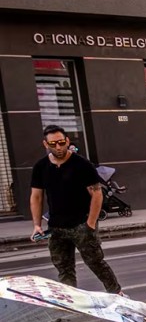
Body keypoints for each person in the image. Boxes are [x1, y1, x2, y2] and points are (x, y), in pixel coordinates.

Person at [30, 125, 123, 295]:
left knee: (96, 262)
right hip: (56, 227)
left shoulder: (81, 164)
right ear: (46, 144)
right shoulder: (41, 167)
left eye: (61, 142)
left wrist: (91, 224)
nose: (58, 147)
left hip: (81, 224)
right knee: (64, 269)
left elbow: (97, 193)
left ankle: (117, 294)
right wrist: (37, 225)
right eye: (53, 144)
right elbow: (36, 196)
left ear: (67, 141)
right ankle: (72, 300)